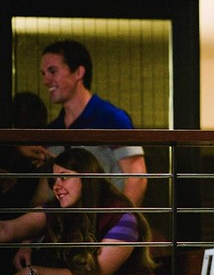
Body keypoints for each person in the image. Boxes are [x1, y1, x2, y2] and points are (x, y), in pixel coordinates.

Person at [0, 148, 155, 275]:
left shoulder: (122, 217)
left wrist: (35, 272)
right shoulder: (56, 209)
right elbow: (6, 230)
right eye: (54, 180)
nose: (56, 187)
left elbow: (94, 274)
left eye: (64, 177)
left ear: (86, 177)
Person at [30, 39, 147, 207]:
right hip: (67, 221)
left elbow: (137, 177)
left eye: (53, 71)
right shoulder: (54, 129)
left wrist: (121, 220)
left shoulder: (111, 119)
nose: (46, 81)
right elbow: (45, 191)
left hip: (105, 219)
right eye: (43, 74)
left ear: (79, 72)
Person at [0, 92, 51, 275]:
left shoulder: (39, 157)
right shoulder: (36, 157)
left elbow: (40, 204)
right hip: (21, 233)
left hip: (20, 232)